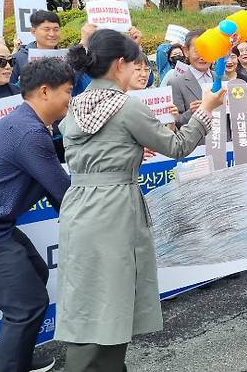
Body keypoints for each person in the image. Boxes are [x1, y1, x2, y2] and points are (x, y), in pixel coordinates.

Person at [56, 29, 225, 371]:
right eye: (134, 63)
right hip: (115, 210)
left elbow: (97, 148)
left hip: (79, 206)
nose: (137, 69)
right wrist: (205, 110)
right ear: (120, 64)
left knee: (86, 300)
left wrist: (126, 150)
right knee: (112, 303)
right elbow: (178, 147)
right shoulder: (126, 106)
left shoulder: (76, 104)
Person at [0, 58, 75, 372]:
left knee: (36, 273)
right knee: (26, 306)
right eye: (68, 92)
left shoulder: (25, 122)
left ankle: (18, 359)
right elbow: (62, 192)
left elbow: (53, 188)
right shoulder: (29, 132)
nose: (71, 99)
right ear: (45, 92)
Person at [170, 31, 214, 128]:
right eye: (197, 51)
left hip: (224, 140)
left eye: (207, 50)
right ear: (186, 51)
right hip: (197, 141)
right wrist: (191, 112)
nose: (202, 57)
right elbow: (175, 122)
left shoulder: (223, 79)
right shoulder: (176, 83)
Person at [11, 10, 61, 84]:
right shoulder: (19, 58)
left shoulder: (66, 57)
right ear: (33, 31)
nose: (52, 34)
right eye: (46, 29)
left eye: (56, 29)